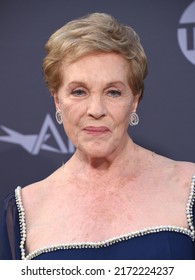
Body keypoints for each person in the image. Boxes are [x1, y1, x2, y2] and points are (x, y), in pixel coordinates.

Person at [1, 12, 195, 260]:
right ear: (57, 101)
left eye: (113, 92)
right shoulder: (23, 210)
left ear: (134, 101)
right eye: (79, 92)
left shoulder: (188, 185)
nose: (96, 110)